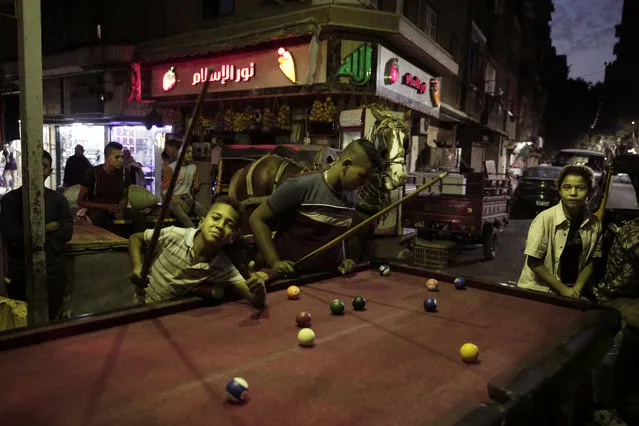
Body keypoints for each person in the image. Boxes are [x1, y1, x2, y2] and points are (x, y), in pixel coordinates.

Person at [249, 139, 383, 277]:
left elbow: (338, 234)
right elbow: (257, 219)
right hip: (291, 279)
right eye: (362, 176)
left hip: (329, 278)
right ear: (346, 165)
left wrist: (344, 259)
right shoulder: (300, 185)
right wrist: (274, 262)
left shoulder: (352, 193)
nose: (364, 183)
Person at [128, 196, 267, 308]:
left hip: (169, 314)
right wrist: (137, 266)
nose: (219, 226)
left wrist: (260, 289)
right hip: (139, 307)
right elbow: (135, 238)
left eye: (229, 224)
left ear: (233, 237)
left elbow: (256, 301)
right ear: (202, 221)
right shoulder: (173, 235)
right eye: (216, 218)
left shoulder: (223, 266)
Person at [0, 150, 73, 321]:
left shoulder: (58, 199)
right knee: (20, 318)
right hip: (20, 269)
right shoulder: (10, 200)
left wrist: (37, 240)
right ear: (25, 168)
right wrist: (47, 228)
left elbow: (67, 231)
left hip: (52, 269)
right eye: (35, 164)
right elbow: (12, 234)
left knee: (51, 318)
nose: (39, 169)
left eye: (44, 166)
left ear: (49, 171)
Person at [518, 165, 602, 297]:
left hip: (573, 290)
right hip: (540, 291)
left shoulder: (594, 223)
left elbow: (592, 259)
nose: (573, 193)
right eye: (567, 187)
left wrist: (577, 289)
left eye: (580, 188)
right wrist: (563, 290)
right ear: (560, 191)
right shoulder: (545, 219)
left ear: (589, 192)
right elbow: (534, 261)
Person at [76, 141, 144, 233]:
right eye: (117, 157)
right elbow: (80, 201)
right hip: (98, 209)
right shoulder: (92, 173)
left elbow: (124, 196)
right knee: (98, 217)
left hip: (116, 208)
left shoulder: (124, 173)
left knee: (139, 217)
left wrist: (120, 209)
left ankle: (135, 243)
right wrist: (106, 207)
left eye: (122, 157)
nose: (121, 160)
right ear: (107, 158)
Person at [162, 145, 207, 228]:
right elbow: (165, 192)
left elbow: (195, 185)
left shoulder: (194, 168)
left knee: (204, 212)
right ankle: (193, 231)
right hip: (173, 200)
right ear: (180, 154)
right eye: (188, 152)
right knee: (181, 213)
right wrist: (177, 199)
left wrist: (196, 187)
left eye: (191, 152)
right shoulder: (170, 168)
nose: (191, 154)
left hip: (187, 199)